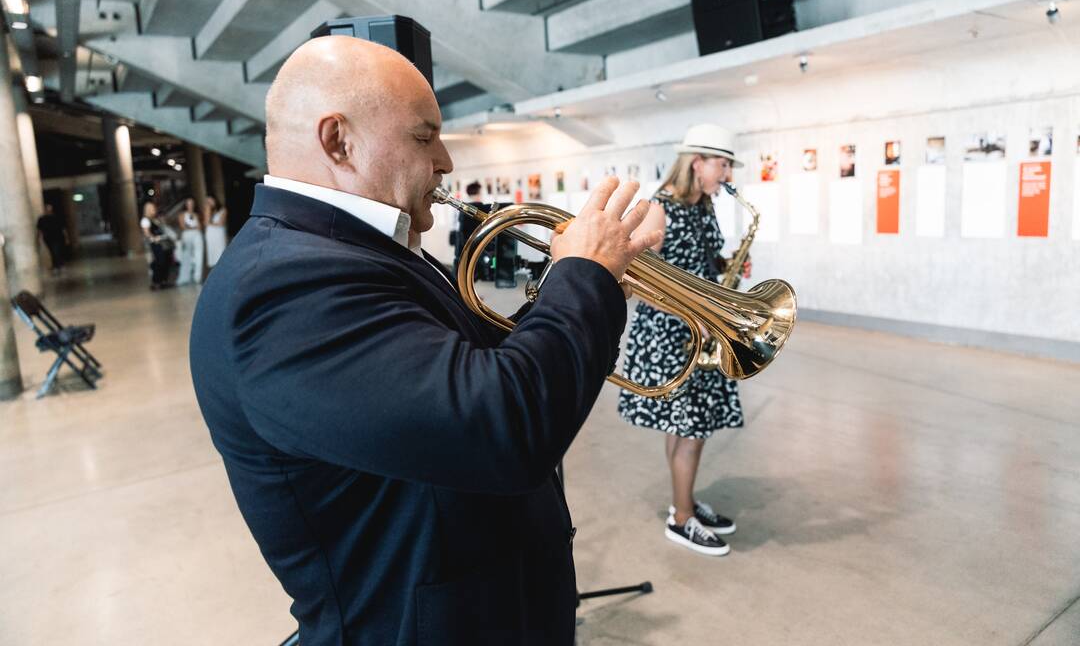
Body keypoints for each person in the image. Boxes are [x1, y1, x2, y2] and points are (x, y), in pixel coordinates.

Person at [188, 35, 660, 646]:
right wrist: (584, 279)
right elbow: (503, 425)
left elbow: (470, 369)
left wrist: (595, 290)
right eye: (423, 136)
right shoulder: (280, 287)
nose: (445, 161)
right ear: (338, 140)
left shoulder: (349, 251)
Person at [618, 123, 746, 557]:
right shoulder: (658, 209)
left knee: (691, 425)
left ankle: (684, 500)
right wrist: (692, 313)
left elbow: (704, 258)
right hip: (672, 335)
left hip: (703, 329)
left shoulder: (704, 205)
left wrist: (729, 262)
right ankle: (681, 519)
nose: (727, 174)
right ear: (697, 163)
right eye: (722, 164)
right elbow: (635, 278)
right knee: (689, 427)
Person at [139, 202, 173, 290]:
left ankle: (163, 281)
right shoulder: (145, 220)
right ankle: (156, 282)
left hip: (163, 242)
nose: (154, 210)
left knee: (166, 261)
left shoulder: (155, 219)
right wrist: (154, 238)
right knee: (159, 262)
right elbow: (147, 233)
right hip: (156, 243)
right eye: (152, 208)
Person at [176, 197, 204, 285]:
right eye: (188, 203)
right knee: (186, 255)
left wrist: (195, 220)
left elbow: (200, 227)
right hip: (187, 236)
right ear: (185, 204)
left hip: (197, 235)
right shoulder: (181, 214)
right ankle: (186, 277)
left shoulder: (197, 214)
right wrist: (193, 227)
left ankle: (197, 277)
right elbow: (183, 226)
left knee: (199, 254)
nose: (190, 205)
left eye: (192, 203)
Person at [36, 203, 68, 274]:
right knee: (53, 251)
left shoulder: (57, 218)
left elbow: (63, 228)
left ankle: (58, 265)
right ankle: (57, 265)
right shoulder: (42, 219)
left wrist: (66, 237)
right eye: (47, 208)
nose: (48, 210)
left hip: (58, 237)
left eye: (49, 208)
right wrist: (38, 239)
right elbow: (39, 230)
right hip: (48, 238)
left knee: (56, 251)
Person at [203, 195, 228, 268]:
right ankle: (214, 267)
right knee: (212, 249)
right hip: (210, 233)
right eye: (207, 202)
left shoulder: (223, 209)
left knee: (221, 248)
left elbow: (221, 223)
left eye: (210, 200)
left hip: (219, 232)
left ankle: (223, 266)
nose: (209, 203)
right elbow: (205, 222)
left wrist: (210, 223)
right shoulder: (208, 210)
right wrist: (208, 210)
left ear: (215, 199)